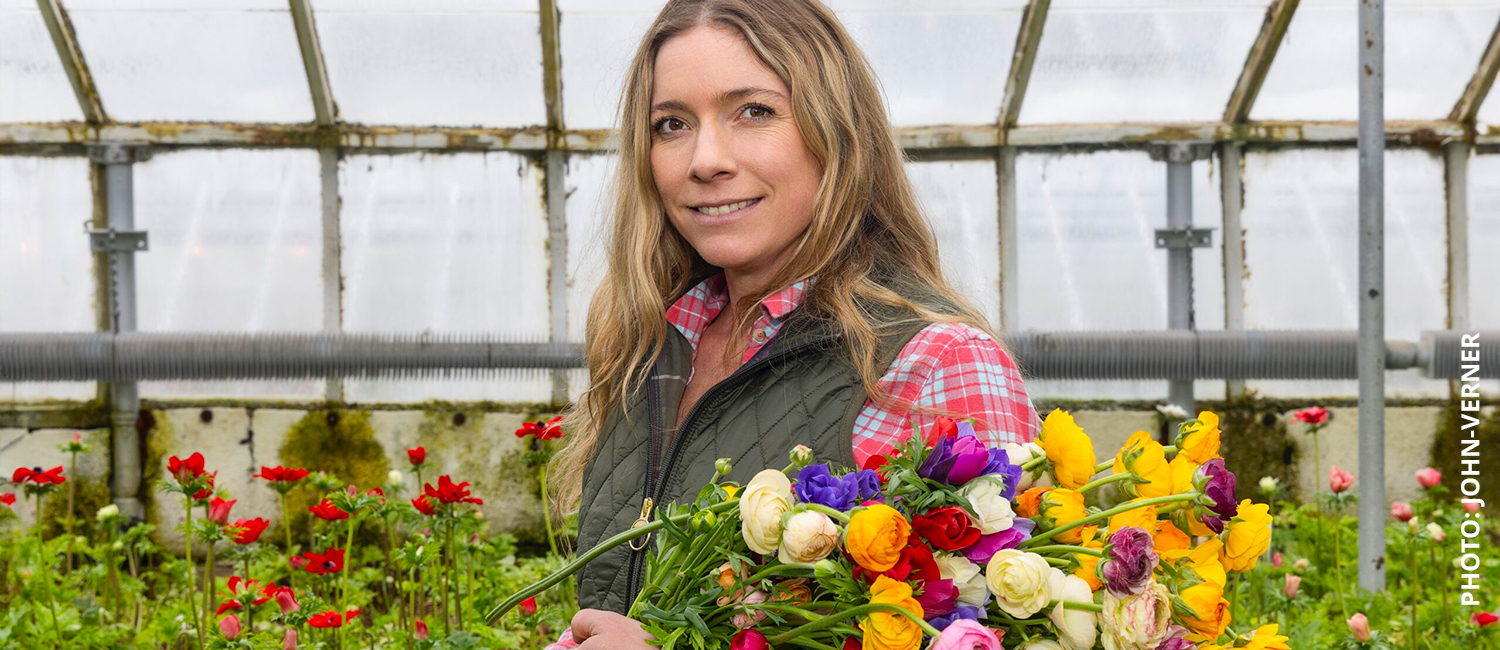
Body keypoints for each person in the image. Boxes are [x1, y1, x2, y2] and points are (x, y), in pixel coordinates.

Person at [546, 1, 1040, 647]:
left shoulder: (935, 361)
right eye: (671, 124)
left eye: (753, 111)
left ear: (835, 131)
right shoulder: (649, 348)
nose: (706, 159)